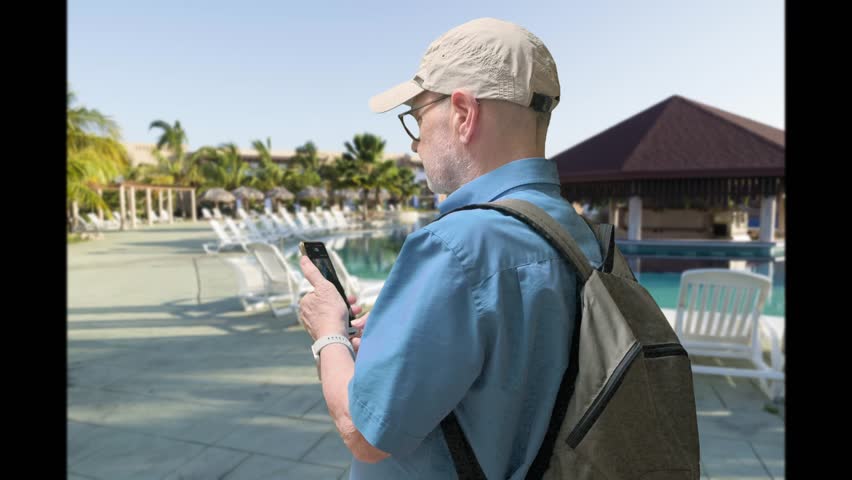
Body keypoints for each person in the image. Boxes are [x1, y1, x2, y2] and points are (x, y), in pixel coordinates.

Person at [298, 17, 603, 478]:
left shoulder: (458, 247)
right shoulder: (580, 234)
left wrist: (328, 333)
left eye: (417, 118)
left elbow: (364, 434)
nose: (416, 145)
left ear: (463, 113)